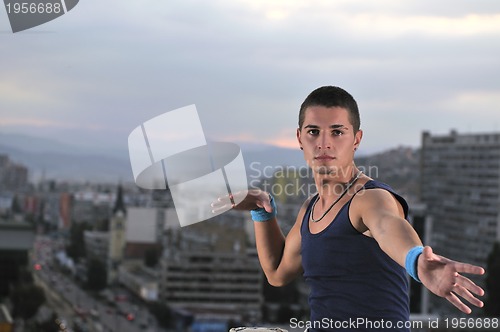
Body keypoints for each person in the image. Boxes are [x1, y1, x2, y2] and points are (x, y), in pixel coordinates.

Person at [213, 86, 485, 331]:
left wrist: (416, 261)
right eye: (313, 132)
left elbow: (387, 225)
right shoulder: (310, 209)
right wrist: (263, 210)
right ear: (299, 138)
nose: (324, 143)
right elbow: (277, 273)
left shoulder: (369, 198)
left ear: (356, 139)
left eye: (337, 132)